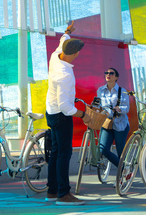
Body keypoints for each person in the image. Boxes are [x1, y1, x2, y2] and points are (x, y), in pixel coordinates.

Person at [46, 36, 90, 206]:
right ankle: (63, 195)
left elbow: (62, 41)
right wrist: (83, 115)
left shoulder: (55, 56)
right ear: (76, 54)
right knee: (64, 154)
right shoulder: (65, 75)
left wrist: (67, 32)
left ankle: (52, 191)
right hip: (61, 116)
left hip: (51, 112)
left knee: (56, 152)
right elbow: (65, 106)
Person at [96, 67, 130, 168]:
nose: (108, 75)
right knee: (103, 149)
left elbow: (126, 108)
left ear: (116, 77)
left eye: (111, 73)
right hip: (107, 123)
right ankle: (123, 168)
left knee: (120, 151)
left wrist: (119, 109)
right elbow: (99, 105)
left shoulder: (122, 91)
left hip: (121, 123)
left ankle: (122, 174)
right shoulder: (100, 90)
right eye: (106, 72)